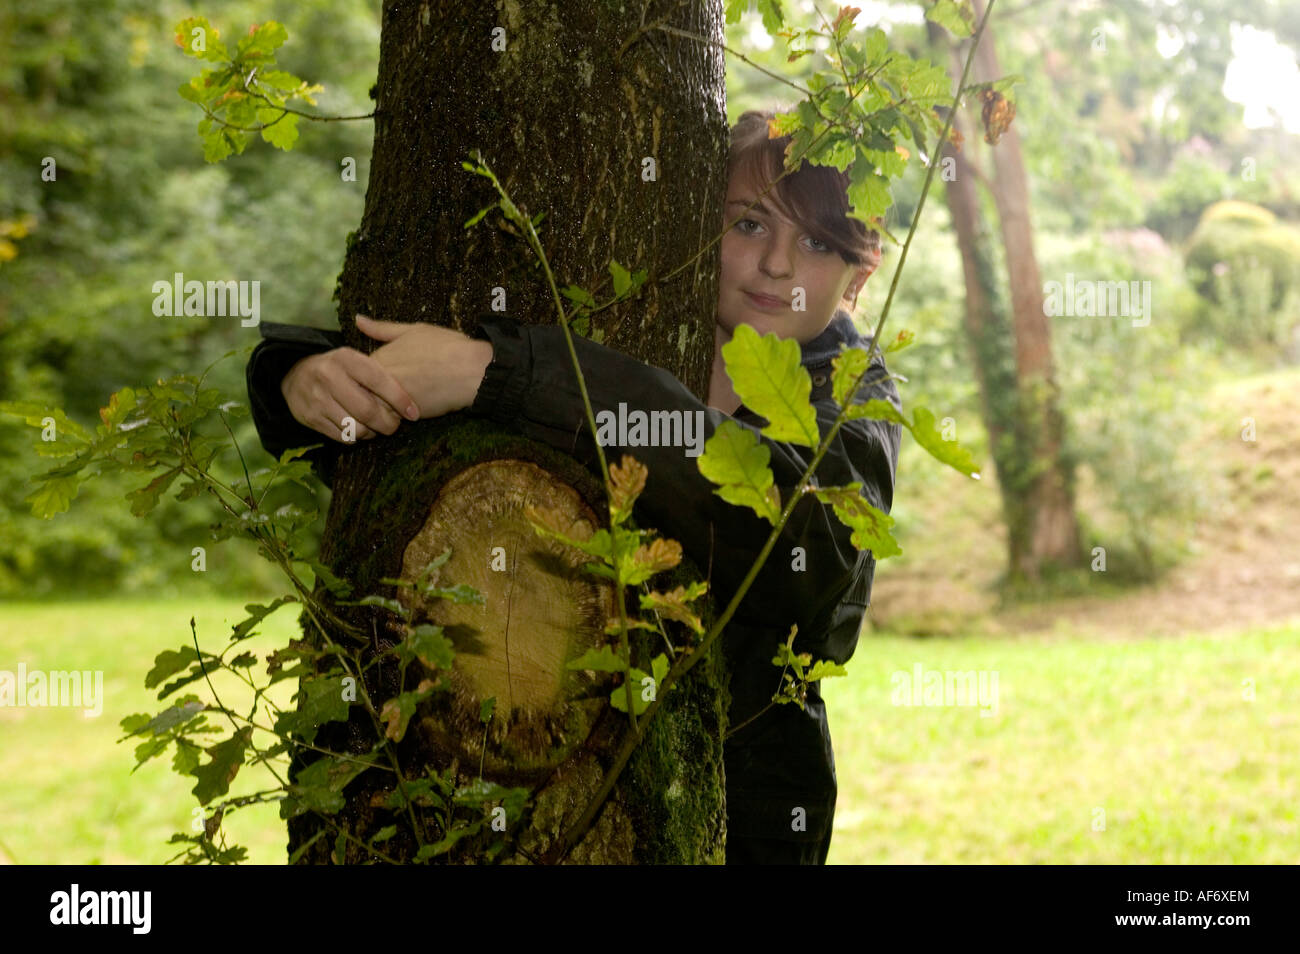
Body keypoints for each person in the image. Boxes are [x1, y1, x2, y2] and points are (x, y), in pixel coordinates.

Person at [246, 109, 903, 864]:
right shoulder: (626, 308)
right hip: (507, 773)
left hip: (746, 802)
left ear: (860, 272)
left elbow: (804, 553)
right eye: (748, 223)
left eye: (817, 243)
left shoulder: (854, 395)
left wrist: (504, 374)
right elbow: (405, 397)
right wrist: (294, 379)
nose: (777, 265)